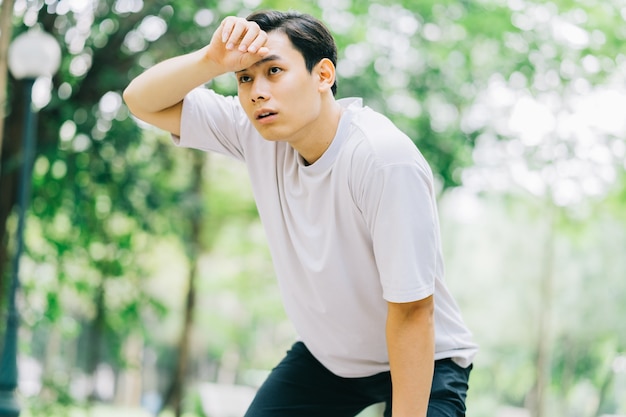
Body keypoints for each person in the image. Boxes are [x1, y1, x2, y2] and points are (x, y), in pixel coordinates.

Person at [123, 9, 478, 417]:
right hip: (330, 361)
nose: (257, 91)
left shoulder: (382, 159)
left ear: (323, 76)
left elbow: (414, 311)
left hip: (424, 358)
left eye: (274, 71)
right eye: (245, 77)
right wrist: (212, 60)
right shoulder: (254, 132)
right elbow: (140, 100)